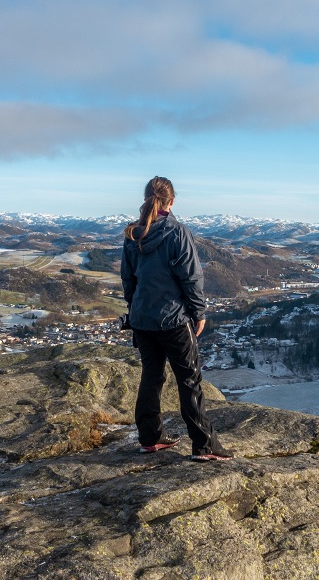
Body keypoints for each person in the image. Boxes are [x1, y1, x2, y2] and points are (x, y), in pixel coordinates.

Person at [120, 176, 232, 461]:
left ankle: (150, 437)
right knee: (189, 380)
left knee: (152, 376)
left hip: (142, 319)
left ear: (146, 199)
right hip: (172, 319)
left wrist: (134, 309)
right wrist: (198, 312)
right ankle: (205, 445)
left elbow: (128, 279)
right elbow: (191, 277)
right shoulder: (177, 232)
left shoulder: (132, 234)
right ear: (172, 202)